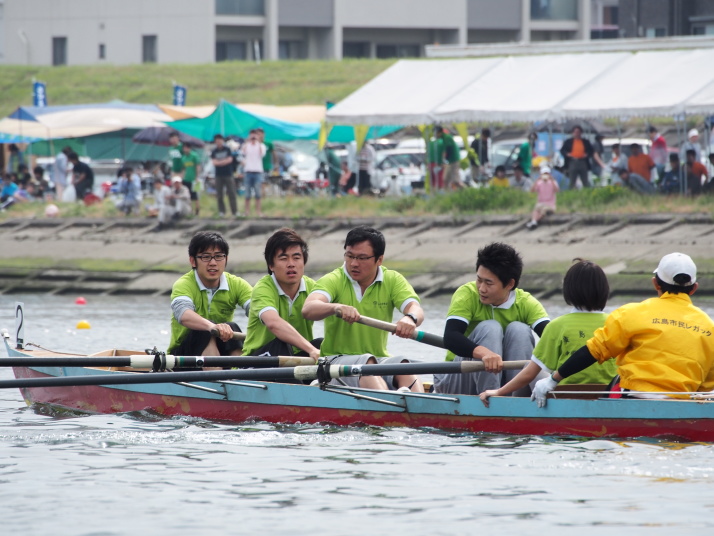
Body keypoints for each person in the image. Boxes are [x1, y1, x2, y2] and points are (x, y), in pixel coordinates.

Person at [532, 252, 714, 406]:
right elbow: (706, 386)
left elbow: (593, 351)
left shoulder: (630, 313)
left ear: (655, 283)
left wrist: (553, 380)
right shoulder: (709, 327)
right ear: (694, 288)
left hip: (633, 398)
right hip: (682, 403)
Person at [302, 225, 426, 392]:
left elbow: (415, 308)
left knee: (404, 366)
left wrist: (410, 318)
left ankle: (421, 406)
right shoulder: (334, 279)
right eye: (349, 256)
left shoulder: (392, 280)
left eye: (362, 258)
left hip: (378, 359)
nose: (354, 263)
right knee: (367, 365)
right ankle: (389, 404)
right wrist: (336, 307)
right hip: (335, 363)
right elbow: (308, 308)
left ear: (379, 260)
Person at [480, 259, 616, 406]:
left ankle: (512, 408)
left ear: (568, 290)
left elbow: (530, 374)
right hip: (609, 395)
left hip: (564, 398)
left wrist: (499, 392)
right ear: (604, 290)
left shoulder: (557, 326)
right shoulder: (615, 324)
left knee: (529, 367)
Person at [433, 242, 550, 396]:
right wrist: (484, 353)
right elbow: (451, 337)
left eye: (489, 283)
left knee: (520, 330)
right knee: (490, 327)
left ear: (510, 284)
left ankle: (513, 400)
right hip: (456, 380)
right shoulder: (467, 294)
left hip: (504, 387)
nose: (481, 288)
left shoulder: (526, 303)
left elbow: (552, 338)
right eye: (479, 280)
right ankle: (491, 401)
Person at [168, 230, 253, 357]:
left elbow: (257, 310)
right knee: (204, 331)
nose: (213, 263)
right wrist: (212, 327)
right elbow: (183, 315)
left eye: (218, 256)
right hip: (184, 356)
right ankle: (215, 370)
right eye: (206, 257)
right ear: (193, 261)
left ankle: (238, 368)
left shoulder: (237, 284)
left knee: (232, 327)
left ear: (226, 259)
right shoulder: (184, 284)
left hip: (222, 350)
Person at [242, 228, 322, 361]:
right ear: (271, 265)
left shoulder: (313, 288)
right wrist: (311, 350)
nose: (291, 264)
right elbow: (274, 324)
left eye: (296, 258)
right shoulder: (263, 288)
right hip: (256, 362)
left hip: (295, 358)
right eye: (284, 258)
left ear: (304, 261)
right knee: (282, 343)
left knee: (321, 343)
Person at [211, 134, 238, 218]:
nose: (218, 142)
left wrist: (220, 162)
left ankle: (234, 211)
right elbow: (214, 162)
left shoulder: (227, 149)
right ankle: (221, 211)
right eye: (217, 140)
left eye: (220, 140)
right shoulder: (214, 151)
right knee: (219, 194)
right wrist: (223, 161)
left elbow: (230, 160)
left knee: (232, 193)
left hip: (228, 174)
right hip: (218, 175)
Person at [240, 129, 266, 218]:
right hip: (248, 171)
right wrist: (248, 141)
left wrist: (258, 141)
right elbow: (242, 152)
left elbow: (262, 154)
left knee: (258, 193)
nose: (253, 137)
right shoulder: (246, 145)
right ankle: (247, 211)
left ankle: (258, 211)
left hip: (257, 172)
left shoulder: (261, 145)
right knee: (247, 194)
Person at [525, 165, 559, 230]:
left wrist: (552, 180)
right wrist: (537, 180)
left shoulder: (553, 182)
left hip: (550, 205)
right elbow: (532, 190)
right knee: (536, 209)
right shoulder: (539, 183)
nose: (545, 175)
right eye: (544, 174)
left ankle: (534, 221)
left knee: (543, 210)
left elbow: (557, 190)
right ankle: (534, 221)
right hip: (541, 203)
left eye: (547, 174)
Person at [181, 143, 201, 216]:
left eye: (186, 148)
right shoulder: (183, 157)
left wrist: (197, 176)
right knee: (188, 196)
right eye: (184, 148)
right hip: (186, 179)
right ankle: (190, 210)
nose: (185, 149)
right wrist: (182, 177)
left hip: (194, 179)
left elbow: (197, 166)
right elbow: (183, 168)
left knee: (196, 196)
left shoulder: (194, 156)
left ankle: (197, 210)